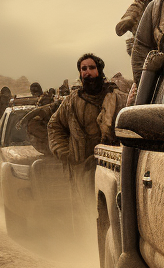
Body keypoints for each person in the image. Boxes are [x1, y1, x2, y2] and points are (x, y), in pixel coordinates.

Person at [48, 54, 127, 199]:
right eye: (83, 69)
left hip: (112, 167)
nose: (87, 72)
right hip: (82, 170)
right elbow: (55, 126)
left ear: (99, 71)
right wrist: (66, 152)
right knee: (85, 212)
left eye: (92, 67)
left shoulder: (117, 98)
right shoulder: (72, 102)